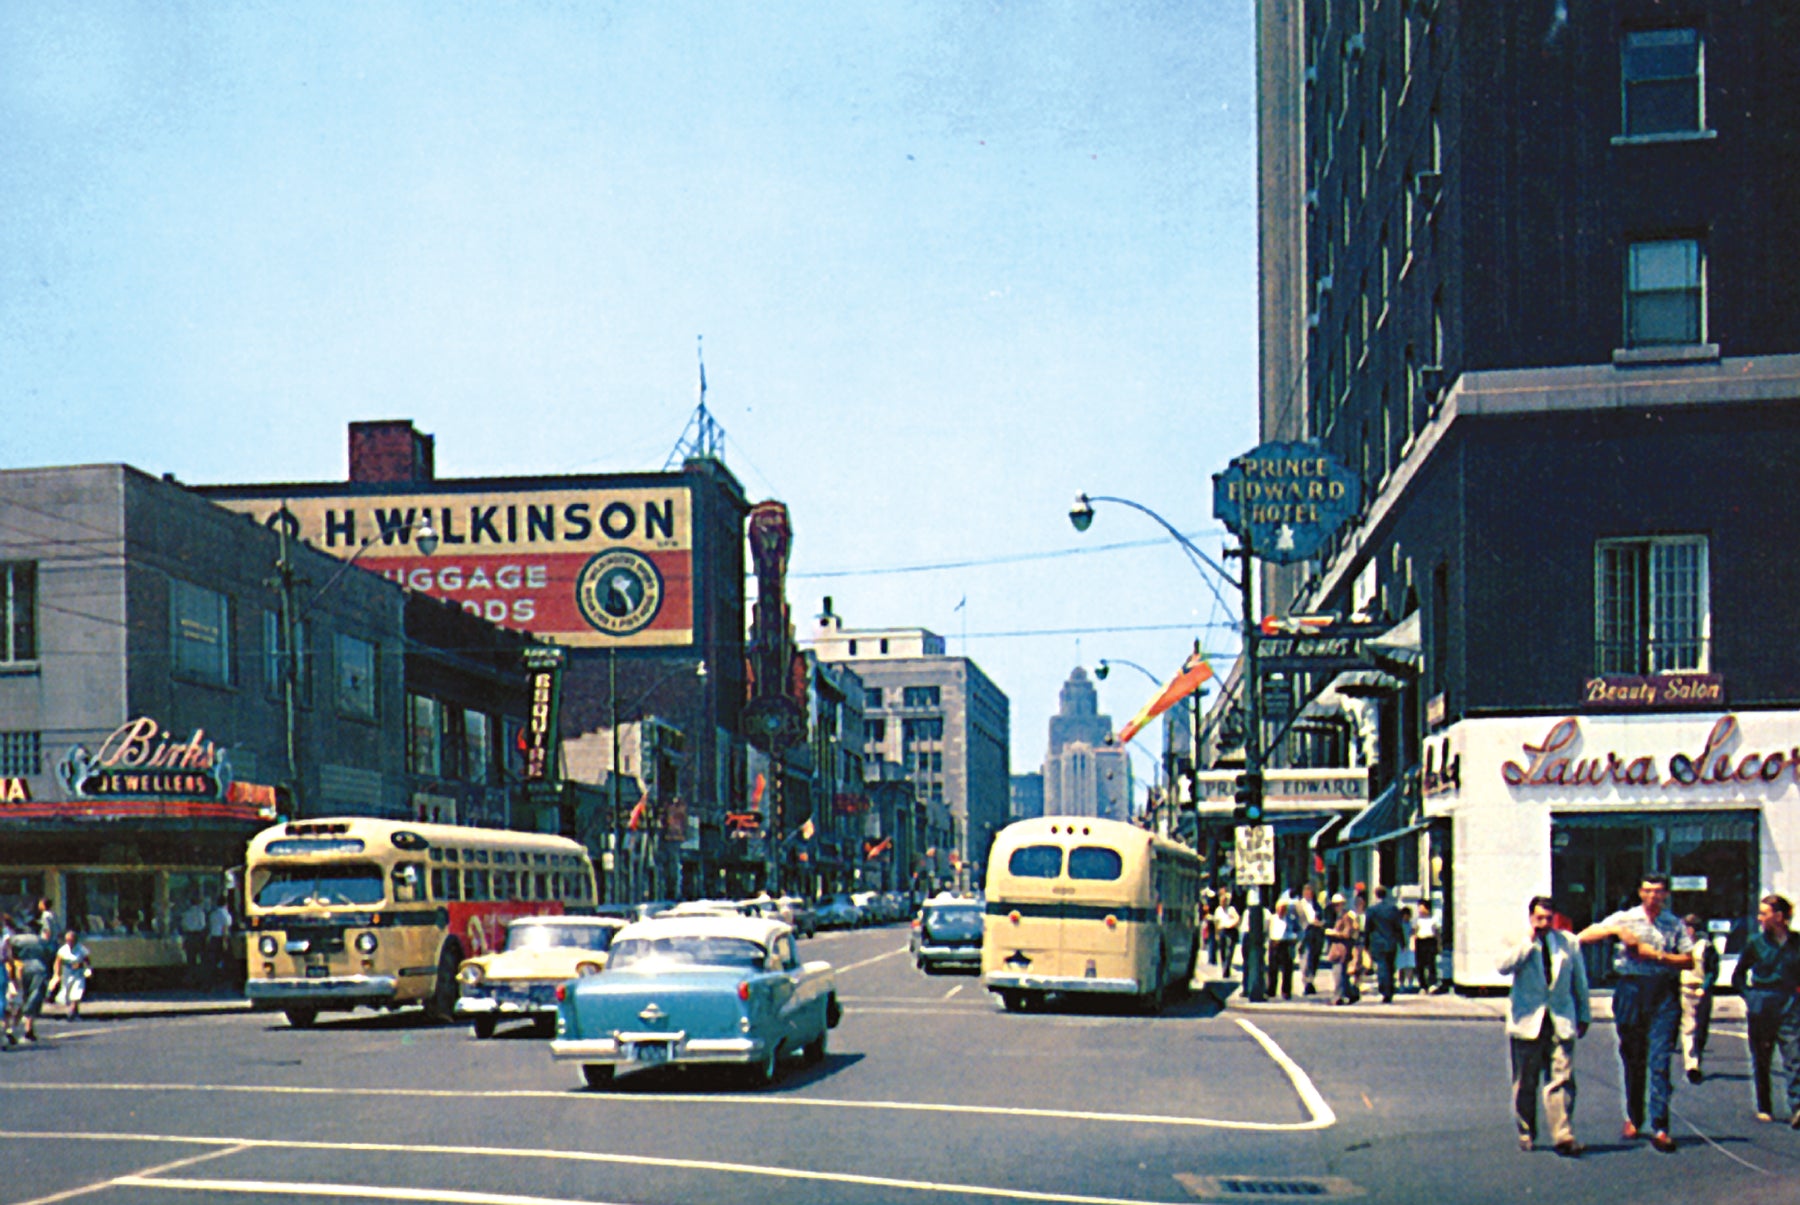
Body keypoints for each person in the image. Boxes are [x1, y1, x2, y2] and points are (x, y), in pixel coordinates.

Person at [1577, 873, 1694, 1153]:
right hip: (1631, 989)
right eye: (1648, 891)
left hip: (1663, 991)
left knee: (1660, 1059)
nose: (1653, 896)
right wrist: (1616, 932)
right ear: (1640, 893)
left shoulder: (1673, 924)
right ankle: (1634, 1116)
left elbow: (1689, 960)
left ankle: (1660, 1125)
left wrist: (1658, 956)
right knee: (1633, 1056)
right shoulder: (1625, 917)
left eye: (1658, 891)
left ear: (1666, 895)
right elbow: (1583, 936)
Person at [1499, 895, 1591, 1157]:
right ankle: (1526, 1130)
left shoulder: (1568, 943)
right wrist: (1528, 943)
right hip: (1528, 1022)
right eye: (1539, 918)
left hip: (1560, 1019)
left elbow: (1579, 982)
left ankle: (1563, 1135)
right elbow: (1503, 967)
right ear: (1530, 917)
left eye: (1548, 919)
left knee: (1562, 1079)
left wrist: (1583, 1014)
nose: (1544, 923)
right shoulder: (1518, 939)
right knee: (1525, 1082)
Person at [1729, 893, 1800, 1126]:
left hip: (1789, 1002)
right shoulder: (1755, 944)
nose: (1760, 918)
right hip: (1762, 1003)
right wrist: (1750, 997)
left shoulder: (1796, 942)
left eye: (1764, 913)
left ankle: (1798, 1106)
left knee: (1794, 1055)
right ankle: (1764, 1106)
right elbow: (1738, 976)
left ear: (1779, 917)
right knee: (1762, 1057)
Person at [1678, 913, 1720, 1085]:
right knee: (1688, 1027)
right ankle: (1691, 1065)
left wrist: (1705, 987)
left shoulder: (1706, 947)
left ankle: (1697, 1057)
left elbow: (1712, 970)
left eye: (1689, 927)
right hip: (1685, 989)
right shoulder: (1679, 946)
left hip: (1701, 990)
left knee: (1701, 1028)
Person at [1365, 887, 1404, 1003]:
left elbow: (1368, 928)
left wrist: (1366, 943)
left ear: (1376, 895)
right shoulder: (1393, 909)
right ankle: (1390, 987)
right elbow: (1398, 927)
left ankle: (1384, 989)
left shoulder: (1372, 910)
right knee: (1391, 966)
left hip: (1378, 941)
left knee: (1382, 966)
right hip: (1391, 941)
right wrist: (1402, 942)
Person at [50, 930, 92, 1021]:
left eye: (71, 941)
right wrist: (57, 974)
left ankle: (72, 1012)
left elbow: (87, 960)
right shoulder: (63, 950)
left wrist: (88, 969)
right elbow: (58, 962)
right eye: (68, 941)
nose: (69, 943)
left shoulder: (81, 949)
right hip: (67, 973)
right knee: (67, 992)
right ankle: (75, 1012)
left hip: (78, 973)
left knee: (77, 992)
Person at [1328, 893, 1361, 1005]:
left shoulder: (1346, 916)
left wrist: (1333, 933)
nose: (1336, 907)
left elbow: (1347, 933)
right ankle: (1351, 993)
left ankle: (1338, 997)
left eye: (1338, 904)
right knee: (1342, 975)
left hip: (1341, 949)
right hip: (1338, 948)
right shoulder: (1340, 916)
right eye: (1335, 905)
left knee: (1339, 974)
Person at [1298, 883, 1325, 994]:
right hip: (1305, 934)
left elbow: (1322, 917)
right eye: (1306, 891)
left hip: (1316, 934)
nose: (1309, 894)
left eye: (1311, 892)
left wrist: (1321, 923)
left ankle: (1311, 980)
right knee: (1305, 958)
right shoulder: (1299, 905)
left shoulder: (1317, 905)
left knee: (1315, 958)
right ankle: (1306, 982)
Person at [1268, 898, 1296, 999]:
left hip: (1285, 943)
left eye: (1283, 909)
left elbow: (1295, 931)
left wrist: (1293, 939)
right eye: (1280, 909)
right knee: (1272, 969)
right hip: (1274, 943)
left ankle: (1286, 991)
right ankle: (1271, 990)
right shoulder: (1272, 918)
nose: (1281, 911)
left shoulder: (1290, 919)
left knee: (1287, 969)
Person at [1414, 900, 1441, 993]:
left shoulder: (1433, 919)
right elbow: (1413, 932)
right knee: (1420, 965)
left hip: (1430, 941)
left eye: (1421, 907)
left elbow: (1437, 932)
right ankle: (1422, 985)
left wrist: (1439, 944)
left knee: (1431, 963)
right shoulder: (1417, 920)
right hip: (1420, 941)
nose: (1420, 910)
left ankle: (1432, 984)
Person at [179, 896, 208, 983]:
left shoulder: (186, 913)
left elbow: (183, 925)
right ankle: (200, 978)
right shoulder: (200, 913)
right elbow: (203, 925)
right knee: (201, 958)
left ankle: (191, 978)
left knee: (190, 959)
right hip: (198, 936)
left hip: (189, 936)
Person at [1213, 890, 1241, 976]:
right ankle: (1224, 967)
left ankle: (1226, 969)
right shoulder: (1218, 910)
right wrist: (1216, 934)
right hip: (1222, 931)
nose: (1223, 903)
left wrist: (1232, 924)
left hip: (1230, 930)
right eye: (1221, 901)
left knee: (1229, 951)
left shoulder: (1231, 909)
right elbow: (1216, 923)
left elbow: (1237, 918)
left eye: (1224, 901)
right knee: (1222, 951)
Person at [207, 896, 234, 983]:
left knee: (213, 959)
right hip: (221, 938)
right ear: (226, 904)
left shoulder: (213, 914)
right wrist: (225, 942)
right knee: (223, 958)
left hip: (213, 938)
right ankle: (223, 977)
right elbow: (225, 928)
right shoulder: (225, 914)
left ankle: (213, 977)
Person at [1396, 906, 1417, 992]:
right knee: (1401, 967)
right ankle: (1401, 984)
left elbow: (1413, 934)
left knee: (1410, 966)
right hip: (1401, 948)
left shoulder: (1411, 924)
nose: (1407, 917)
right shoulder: (1399, 925)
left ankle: (1410, 983)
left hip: (1410, 947)